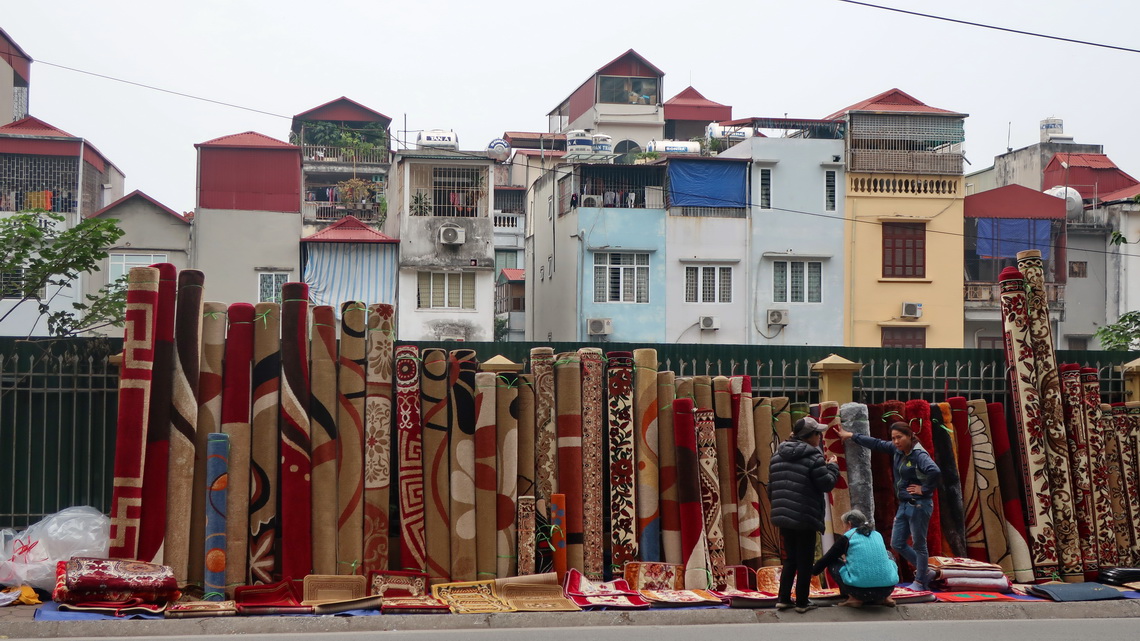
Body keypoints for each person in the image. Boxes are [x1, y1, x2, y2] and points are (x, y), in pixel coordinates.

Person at [838, 422, 940, 590]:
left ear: (909, 435)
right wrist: (851, 436)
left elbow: (934, 471)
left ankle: (921, 581)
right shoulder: (898, 450)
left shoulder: (918, 454)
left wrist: (924, 489)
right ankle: (925, 571)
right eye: (893, 438)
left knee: (919, 544)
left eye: (899, 437)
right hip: (904, 504)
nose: (896, 441)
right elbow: (876, 443)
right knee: (897, 542)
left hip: (919, 505)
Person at [769, 416, 840, 613]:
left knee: (790, 558)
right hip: (806, 516)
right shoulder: (814, 457)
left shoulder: (777, 455)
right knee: (805, 560)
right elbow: (825, 484)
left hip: (783, 515)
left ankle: (783, 598)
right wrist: (833, 467)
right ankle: (802, 601)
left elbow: (771, 488)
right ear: (810, 436)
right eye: (818, 433)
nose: (820, 437)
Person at [813, 509, 899, 607]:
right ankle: (886, 598)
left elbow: (827, 559)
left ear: (849, 524)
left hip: (859, 591)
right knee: (888, 555)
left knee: (832, 561)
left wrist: (812, 572)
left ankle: (853, 598)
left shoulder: (848, 536)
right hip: (886, 589)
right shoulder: (877, 534)